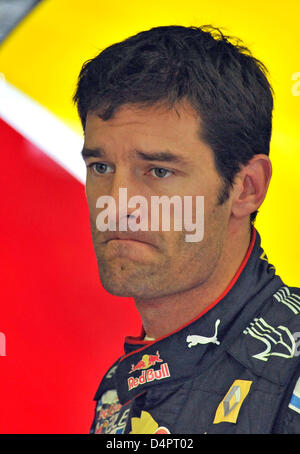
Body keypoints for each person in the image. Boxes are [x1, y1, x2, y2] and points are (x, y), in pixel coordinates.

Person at [73, 25, 300, 434]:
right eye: (101, 167)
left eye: (159, 170)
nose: (118, 204)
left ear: (246, 188)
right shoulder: (119, 389)